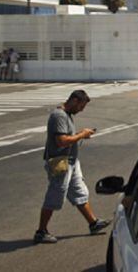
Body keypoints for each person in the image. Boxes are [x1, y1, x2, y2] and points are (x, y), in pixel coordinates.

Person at [35, 90, 110, 244]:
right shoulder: (59, 116)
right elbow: (61, 141)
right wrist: (81, 134)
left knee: (79, 191)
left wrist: (81, 135)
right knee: (55, 195)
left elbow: (67, 138)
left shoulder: (67, 115)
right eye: (81, 106)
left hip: (71, 162)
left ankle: (93, 223)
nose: (81, 110)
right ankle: (41, 231)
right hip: (60, 163)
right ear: (74, 100)